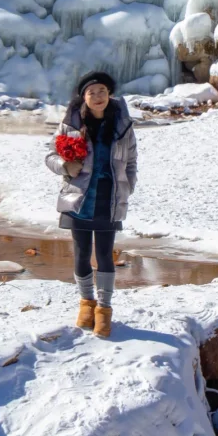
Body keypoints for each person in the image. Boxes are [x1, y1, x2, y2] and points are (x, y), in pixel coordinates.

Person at [45, 70, 138, 337]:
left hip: (109, 199)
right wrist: (65, 165)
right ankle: (86, 304)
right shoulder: (70, 125)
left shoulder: (123, 126)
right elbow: (50, 156)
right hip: (80, 200)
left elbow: (131, 162)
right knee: (82, 253)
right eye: (91, 92)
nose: (97, 97)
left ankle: (104, 311)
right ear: (83, 97)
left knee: (105, 256)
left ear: (109, 95)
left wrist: (127, 187)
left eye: (102, 92)